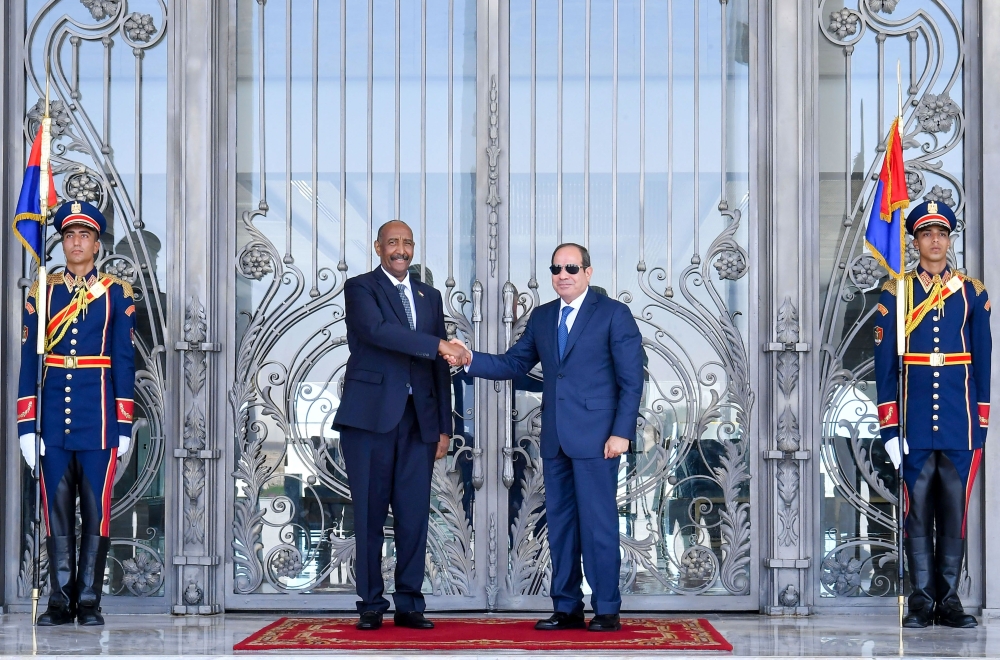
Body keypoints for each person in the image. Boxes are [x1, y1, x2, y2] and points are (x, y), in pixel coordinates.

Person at [445, 243, 643, 632]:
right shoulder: (544, 316)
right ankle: (566, 607)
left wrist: (622, 433)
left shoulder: (613, 314)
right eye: (556, 269)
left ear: (588, 272)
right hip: (555, 439)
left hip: (599, 440)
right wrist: (469, 358)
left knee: (598, 526)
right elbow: (514, 363)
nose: (562, 275)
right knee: (560, 526)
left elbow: (632, 379)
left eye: (571, 268)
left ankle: (606, 608)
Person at [332, 220, 467, 631]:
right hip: (369, 419)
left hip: (418, 421)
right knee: (370, 516)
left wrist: (444, 426)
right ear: (378, 247)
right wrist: (438, 343)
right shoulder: (361, 288)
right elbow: (379, 332)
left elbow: (438, 368)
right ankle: (371, 604)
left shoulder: (430, 296)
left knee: (414, 516)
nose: (401, 250)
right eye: (393, 242)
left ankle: (410, 604)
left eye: (407, 243)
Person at [873, 200, 991, 629]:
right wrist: (890, 427)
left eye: (941, 233)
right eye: (926, 234)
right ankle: (921, 602)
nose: (935, 241)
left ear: (949, 239)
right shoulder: (897, 292)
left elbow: (983, 361)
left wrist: (981, 422)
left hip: (961, 422)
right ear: (915, 241)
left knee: (954, 513)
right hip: (915, 420)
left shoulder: (972, 292)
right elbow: (884, 365)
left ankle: (950, 602)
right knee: (917, 512)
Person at [18, 200, 136, 626]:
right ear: (63, 243)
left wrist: (122, 422)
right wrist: (27, 425)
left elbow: (124, 360)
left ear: (97, 244)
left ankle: (88, 601)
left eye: (84, 235)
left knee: (96, 512)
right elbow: (29, 361)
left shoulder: (117, 292)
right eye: (69, 235)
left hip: (99, 418)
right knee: (56, 512)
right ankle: (59, 601)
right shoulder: (44, 290)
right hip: (51, 420)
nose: (76, 243)